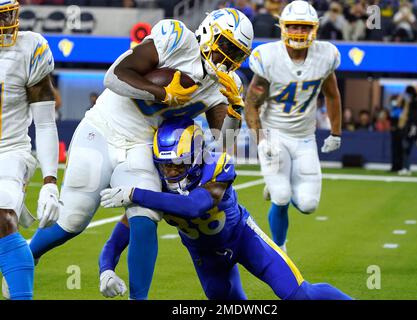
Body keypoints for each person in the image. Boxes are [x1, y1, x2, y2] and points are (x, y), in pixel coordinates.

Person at [24, 9, 254, 300]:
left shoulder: (224, 84)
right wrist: (160, 94)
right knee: (73, 219)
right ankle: (27, 255)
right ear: (209, 32)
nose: (226, 57)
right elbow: (115, 76)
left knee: (145, 216)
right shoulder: (178, 39)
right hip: (103, 127)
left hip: (142, 145)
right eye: (226, 45)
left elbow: (222, 144)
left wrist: (235, 109)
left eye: (235, 52)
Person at [98, 116, 352, 300]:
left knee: (299, 295)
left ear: (196, 156)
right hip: (205, 258)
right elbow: (116, 241)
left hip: (243, 239)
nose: (171, 171)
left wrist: (135, 193)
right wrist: (106, 270)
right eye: (165, 166)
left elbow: (194, 206)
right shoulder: (153, 184)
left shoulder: (217, 166)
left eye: (178, 164)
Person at [244, 0, 342, 252]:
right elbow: (251, 104)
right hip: (275, 134)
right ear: (283, 27)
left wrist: (335, 132)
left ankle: (278, 184)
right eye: (294, 27)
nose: (299, 33)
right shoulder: (268, 57)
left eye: (304, 27)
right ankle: (280, 249)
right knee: (281, 196)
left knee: (309, 205)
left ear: (314, 29)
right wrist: (262, 140)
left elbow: (332, 95)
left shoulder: (325, 56)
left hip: (305, 137)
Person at [0, 0, 60, 300]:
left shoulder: (29, 48)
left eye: (8, 14)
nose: (7, 22)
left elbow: (46, 123)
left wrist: (50, 181)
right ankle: (15, 254)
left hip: (9, 150)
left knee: (2, 217)